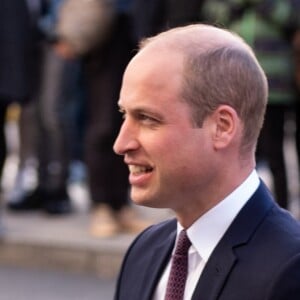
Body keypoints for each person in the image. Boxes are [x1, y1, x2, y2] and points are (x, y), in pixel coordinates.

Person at [113, 24, 300, 300]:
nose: (121, 143)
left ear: (222, 127)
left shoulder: (290, 269)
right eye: (124, 115)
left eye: (147, 119)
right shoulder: (144, 251)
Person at [201, 0, 300, 209]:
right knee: (235, 148)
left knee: (275, 151)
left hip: (276, 82)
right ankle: (238, 208)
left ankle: (282, 209)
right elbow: (212, 16)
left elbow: (292, 17)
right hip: (234, 82)